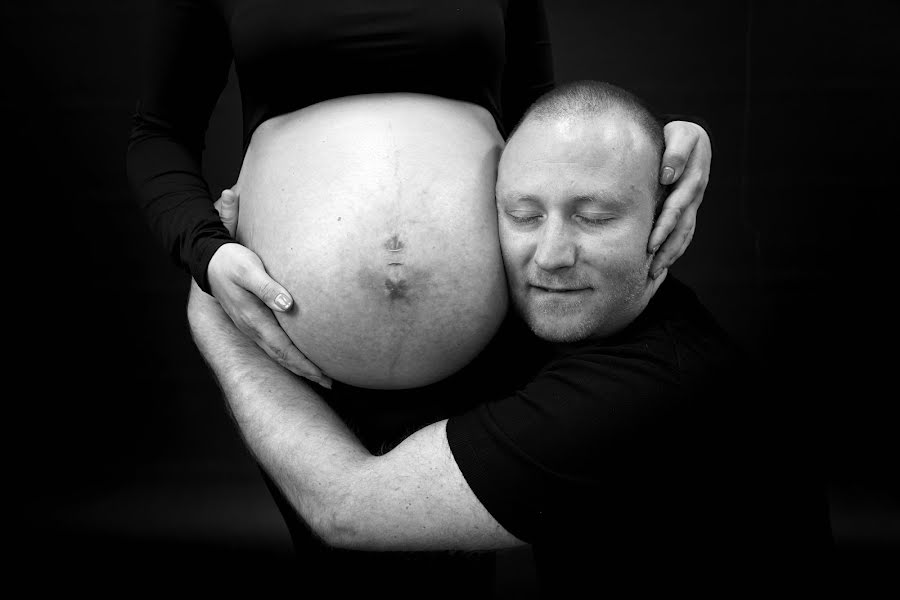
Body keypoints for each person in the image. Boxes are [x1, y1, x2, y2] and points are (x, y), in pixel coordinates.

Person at [188, 81, 831, 596]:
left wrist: (212, 312)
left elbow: (344, 508)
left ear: (667, 216)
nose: (550, 255)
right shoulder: (585, 330)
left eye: (596, 216)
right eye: (523, 215)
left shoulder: (646, 393)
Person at [127, 0, 711, 390]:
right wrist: (207, 253)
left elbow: (541, 122)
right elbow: (158, 133)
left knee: (458, 564)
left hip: (489, 340)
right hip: (290, 335)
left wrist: (660, 149)